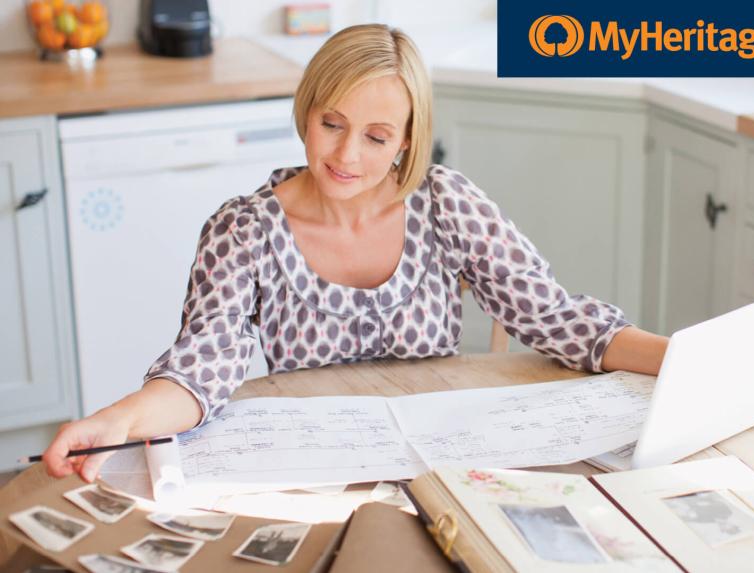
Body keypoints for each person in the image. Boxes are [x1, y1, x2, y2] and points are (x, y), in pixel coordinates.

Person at [43, 24, 669, 482]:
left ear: (405, 141)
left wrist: (685, 361)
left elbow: (556, 319)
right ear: (306, 113)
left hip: (440, 462)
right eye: (331, 124)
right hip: (316, 470)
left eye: (376, 137)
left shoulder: (447, 203)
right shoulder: (244, 231)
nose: (346, 157)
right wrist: (120, 421)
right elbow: (201, 367)